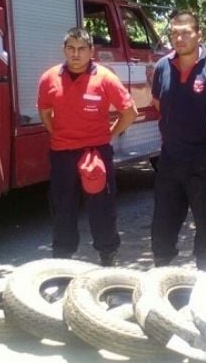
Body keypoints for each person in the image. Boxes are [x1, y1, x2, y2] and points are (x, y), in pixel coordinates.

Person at [37, 26, 138, 265]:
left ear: (91, 51)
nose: (76, 54)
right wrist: (61, 135)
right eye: (71, 48)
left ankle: (108, 260)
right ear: (64, 50)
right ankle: (62, 264)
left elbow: (130, 112)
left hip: (96, 154)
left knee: (102, 210)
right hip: (62, 155)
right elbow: (44, 112)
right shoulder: (49, 78)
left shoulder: (105, 78)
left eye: (82, 48)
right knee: (62, 211)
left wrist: (108, 135)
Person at [150, 10, 206, 270]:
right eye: (174, 33)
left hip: (204, 158)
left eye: (186, 32)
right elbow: (158, 103)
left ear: (199, 35)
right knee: (163, 221)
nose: (179, 38)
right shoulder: (163, 66)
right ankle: (162, 273)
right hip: (170, 157)